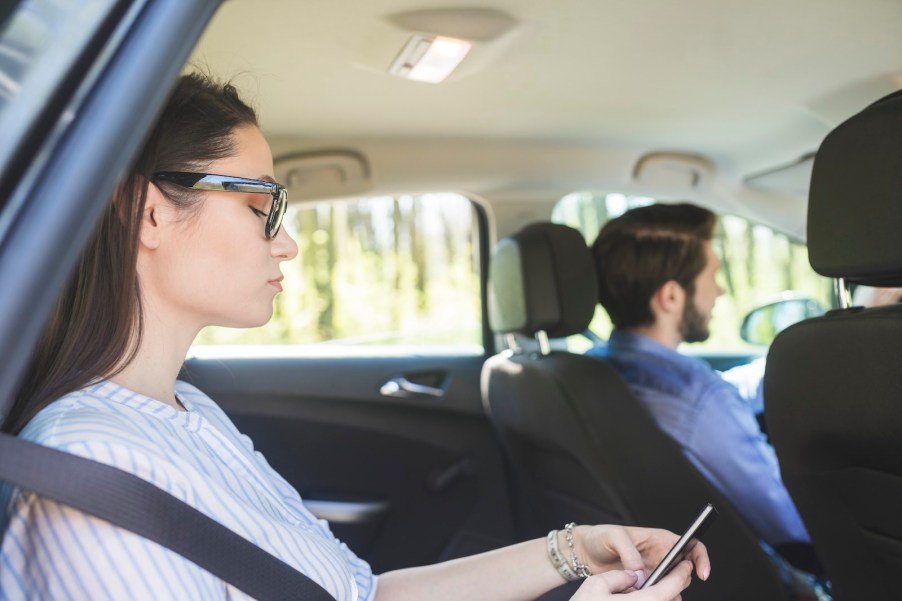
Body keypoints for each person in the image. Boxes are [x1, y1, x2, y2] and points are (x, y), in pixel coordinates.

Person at [0, 73, 709, 600]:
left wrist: (574, 551)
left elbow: (361, 593)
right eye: (261, 204)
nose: (289, 244)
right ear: (149, 214)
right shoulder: (88, 471)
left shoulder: (191, 415)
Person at [586, 203, 813, 567]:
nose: (720, 291)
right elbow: (793, 526)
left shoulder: (593, 368)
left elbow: (700, 409)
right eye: (713, 274)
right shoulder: (702, 402)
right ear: (671, 296)